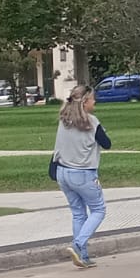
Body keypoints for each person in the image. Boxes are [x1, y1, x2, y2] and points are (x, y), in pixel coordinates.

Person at [51, 85, 111, 268]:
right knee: (98, 210)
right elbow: (106, 143)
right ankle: (78, 245)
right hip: (83, 173)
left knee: (78, 213)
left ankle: (83, 256)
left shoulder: (64, 120)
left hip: (62, 172)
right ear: (85, 102)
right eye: (92, 99)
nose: (95, 101)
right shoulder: (91, 122)